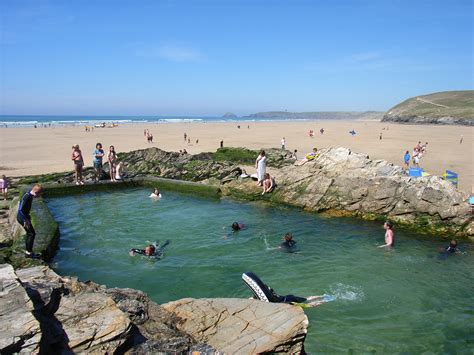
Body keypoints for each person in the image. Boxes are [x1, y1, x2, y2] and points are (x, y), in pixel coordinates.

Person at [17, 184, 43, 258]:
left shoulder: (29, 194)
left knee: (30, 233)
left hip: (25, 217)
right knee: (31, 234)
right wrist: (25, 220)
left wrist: (28, 217)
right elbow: (20, 209)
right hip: (22, 218)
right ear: (36, 192)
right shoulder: (27, 197)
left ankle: (28, 252)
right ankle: (28, 253)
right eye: (39, 195)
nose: (39, 197)